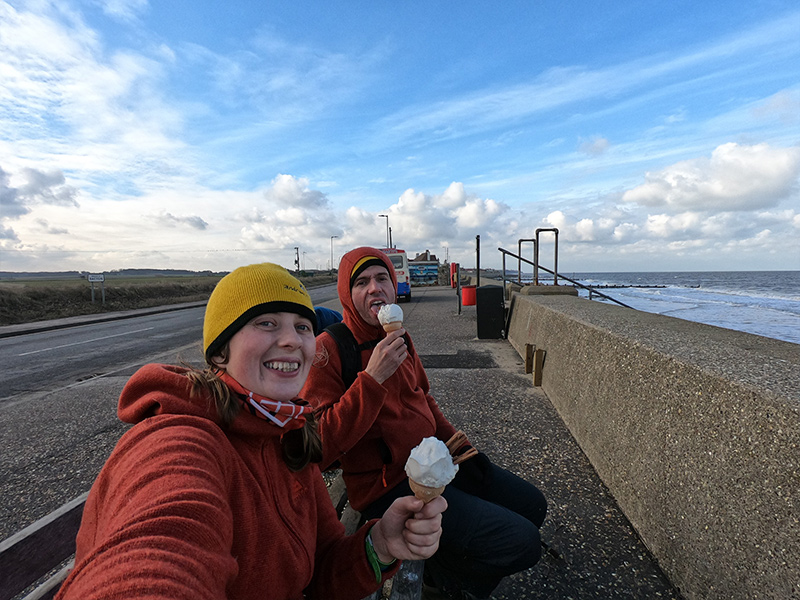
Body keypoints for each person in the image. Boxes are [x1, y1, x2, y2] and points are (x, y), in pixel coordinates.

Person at [56, 263, 445, 600]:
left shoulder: (287, 434)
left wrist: (379, 546)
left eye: (303, 326)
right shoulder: (177, 439)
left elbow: (323, 567)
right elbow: (157, 555)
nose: (292, 340)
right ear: (220, 351)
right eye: (266, 323)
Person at [303, 247, 547, 600]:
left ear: (393, 286)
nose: (374, 288)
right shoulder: (329, 350)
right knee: (522, 544)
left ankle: (443, 564)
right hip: (387, 487)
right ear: (346, 293)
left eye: (382, 278)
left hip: (433, 461)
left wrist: (458, 447)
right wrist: (371, 380)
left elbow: (423, 398)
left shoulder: (400, 336)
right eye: (361, 282)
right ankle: (445, 582)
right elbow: (320, 446)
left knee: (532, 505)